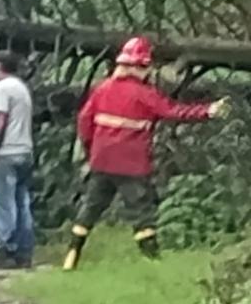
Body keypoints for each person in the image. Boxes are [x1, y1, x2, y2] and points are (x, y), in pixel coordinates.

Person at [63, 36, 232, 271]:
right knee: (141, 211)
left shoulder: (103, 89)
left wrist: (92, 149)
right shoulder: (144, 94)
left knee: (91, 207)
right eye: (146, 66)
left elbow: (84, 121)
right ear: (141, 67)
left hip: (101, 160)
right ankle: (152, 262)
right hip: (131, 164)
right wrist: (208, 111)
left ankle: (71, 257)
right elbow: (173, 111)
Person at [0, 50, 35, 270]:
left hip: (6, 153)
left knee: (2, 202)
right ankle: (24, 251)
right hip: (25, 150)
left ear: (0, 66)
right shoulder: (21, 88)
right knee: (22, 202)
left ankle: (7, 248)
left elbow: (1, 121)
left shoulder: (1, 89)